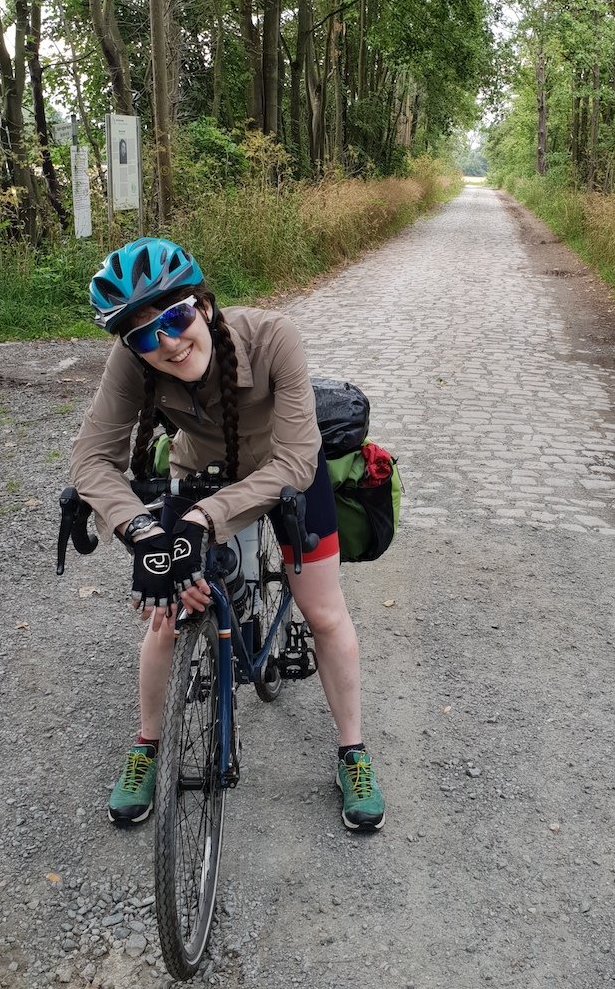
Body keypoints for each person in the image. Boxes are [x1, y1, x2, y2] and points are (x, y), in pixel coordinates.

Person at [70, 236, 385, 833]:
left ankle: (353, 750)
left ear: (204, 305)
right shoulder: (134, 361)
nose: (165, 342)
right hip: (202, 476)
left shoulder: (273, 338)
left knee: (322, 612)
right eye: (143, 335)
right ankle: (147, 743)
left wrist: (203, 521)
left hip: (290, 472)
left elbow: (295, 461)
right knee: (168, 611)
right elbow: (91, 459)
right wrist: (140, 532)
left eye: (175, 317)